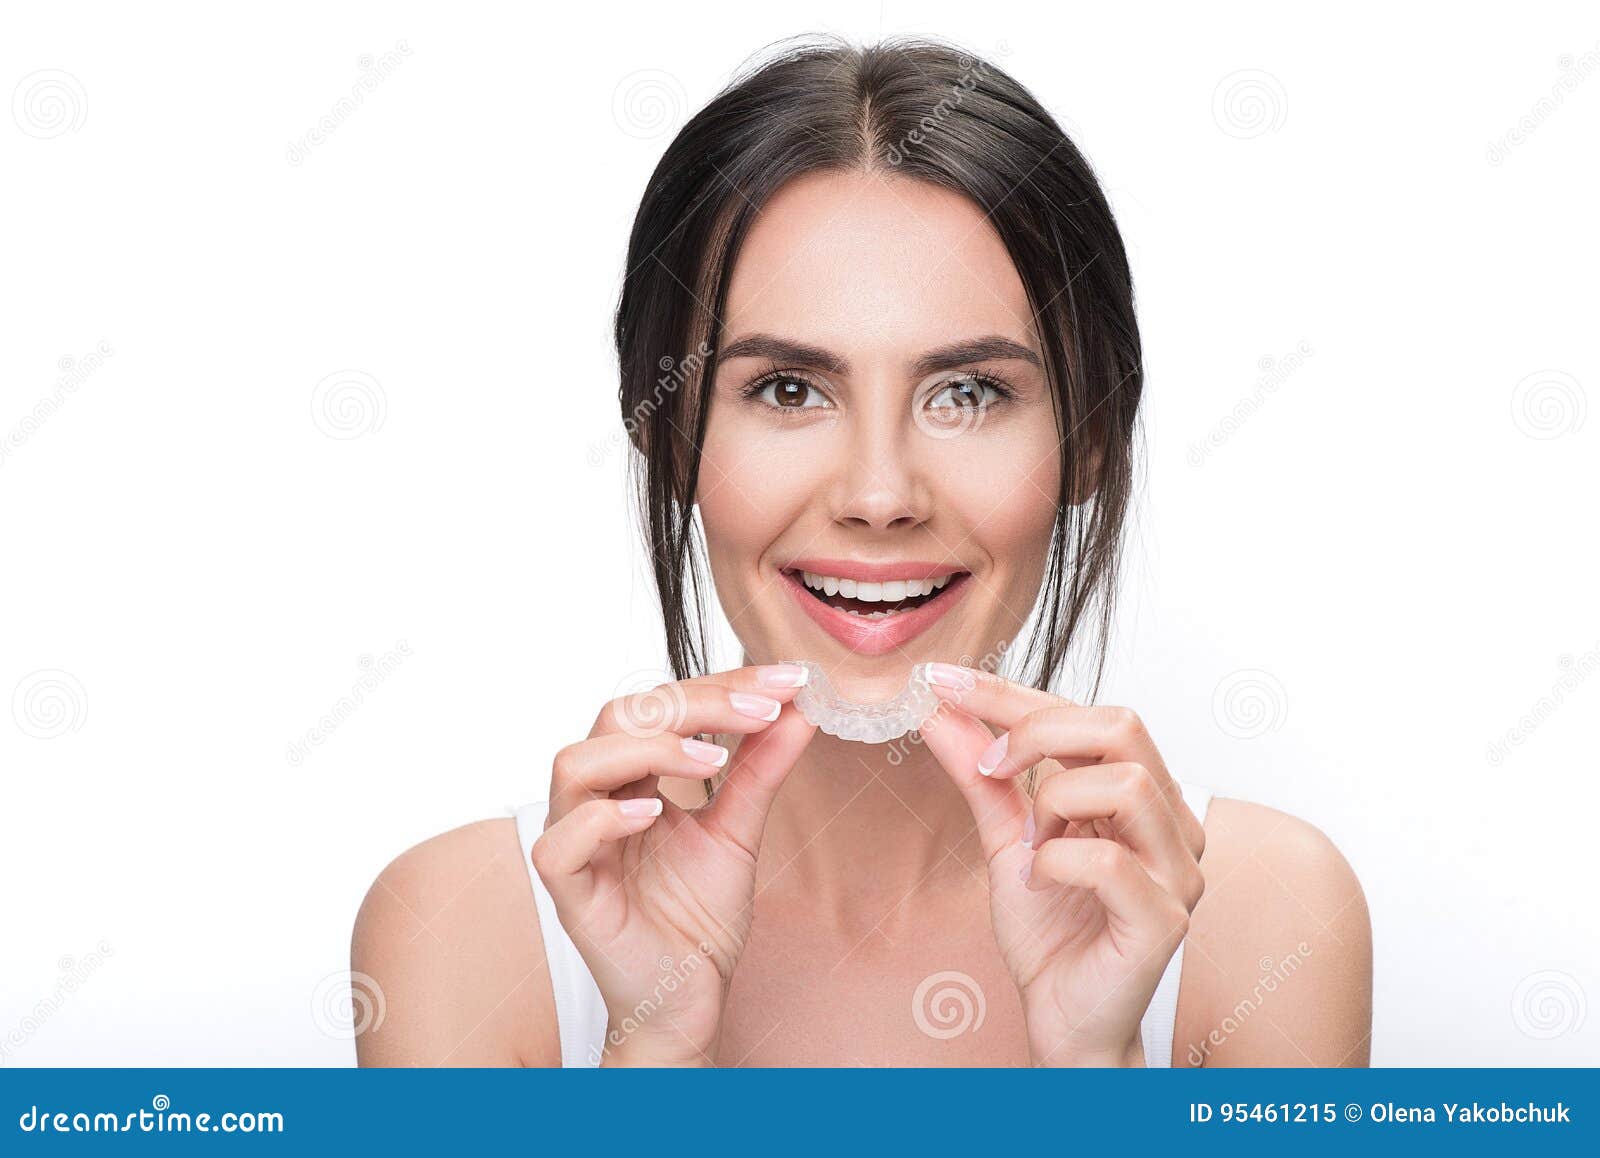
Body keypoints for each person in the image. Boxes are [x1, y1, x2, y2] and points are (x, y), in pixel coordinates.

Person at [352, 36, 1372, 1067]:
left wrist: (1093, 1075)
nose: (879, 496)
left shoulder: (1265, 914)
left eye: (967, 393)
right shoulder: (467, 930)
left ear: (1089, 442)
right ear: (667, 435)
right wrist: (651, 1044)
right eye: (789, 391)